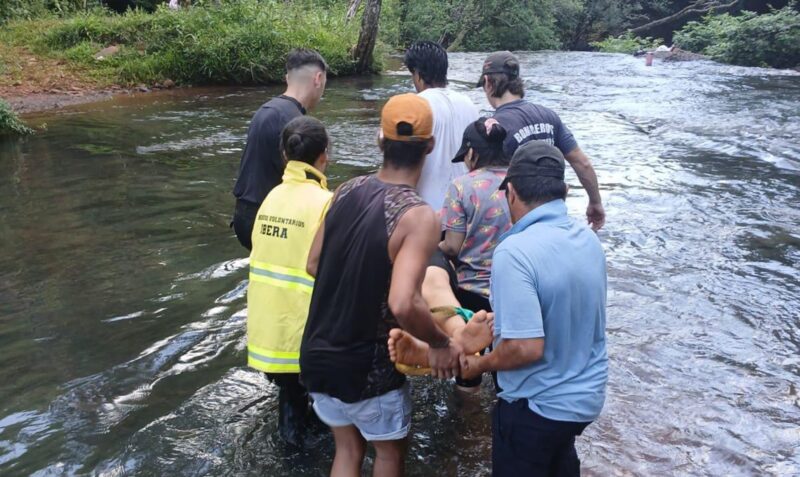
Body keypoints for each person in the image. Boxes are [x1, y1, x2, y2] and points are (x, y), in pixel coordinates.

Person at [300, 94, 467, 477]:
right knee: (388, 455)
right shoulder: (418, 215)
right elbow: (404, 302)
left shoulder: (344, 190)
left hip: (317, 354)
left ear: (380, 140)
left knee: (347, 450)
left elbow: (312, 264)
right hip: (368, 368)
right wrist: (441, 344)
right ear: (431, 145)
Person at [459, 140, 608, 476]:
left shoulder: (515, 251)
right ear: (565, 191)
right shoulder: (587, 240)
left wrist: (478, 365)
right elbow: (569, 311)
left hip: (538, 407)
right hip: (584, 401)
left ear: (510, 192)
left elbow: (525, 347)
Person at [246, 116, 333, 447]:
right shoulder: (325, 203)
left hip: (268, 332)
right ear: (324, 155)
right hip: (304, 335)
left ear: (285, 154)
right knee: (319, 430)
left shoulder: (271, 198)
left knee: (291, 411)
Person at [476, 51, 606, 231]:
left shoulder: (494, 127)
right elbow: (581, 163)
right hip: (554, 214)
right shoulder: (548, 115)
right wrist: (595, 201)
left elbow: (481, 184)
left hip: (517, 219)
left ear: (488, 83)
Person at [232, 48, 328, 250]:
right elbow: (307, 184)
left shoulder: (265, 110)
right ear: (318, 78)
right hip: (271, 220)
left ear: (287, 78)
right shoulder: (298, 124)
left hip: (244, 214)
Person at [440, 117, 511, 313]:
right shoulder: (519, 180)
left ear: (471, 152)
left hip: (472, 291)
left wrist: (431, 248)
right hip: (514, 289)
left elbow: (452, 247)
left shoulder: (461, 186)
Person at [405, 41, 479, 211]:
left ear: (417, 74)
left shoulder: (418, 104)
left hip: (427, 209)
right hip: (465, 206)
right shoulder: (469, 103)